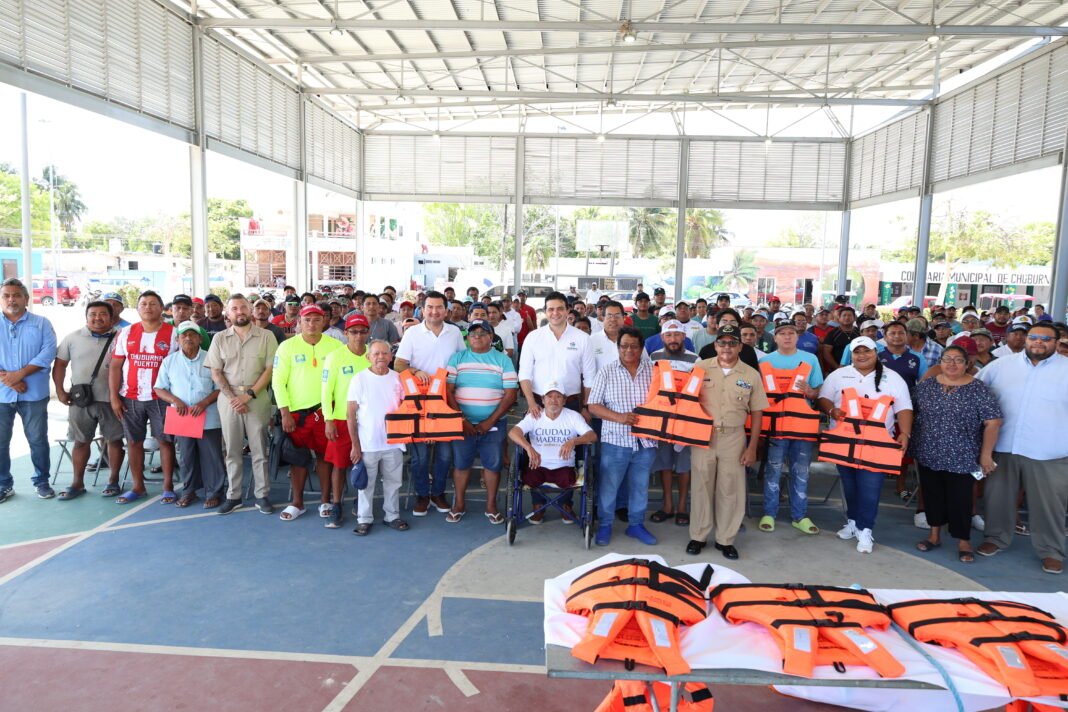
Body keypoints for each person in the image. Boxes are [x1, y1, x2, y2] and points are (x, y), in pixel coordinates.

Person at [975, 322, 1068, 574]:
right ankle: (995, 538)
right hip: (1004, 447)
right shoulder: (1001, 366)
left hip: (1050, 451)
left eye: (1046, 339)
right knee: (997, 498)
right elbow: (974, 393)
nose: (1039, 342)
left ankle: (1051, 551)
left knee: (1049, 505)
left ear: (1057, 343)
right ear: (1026, 339)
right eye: (1034, 337)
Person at [818, 336, 913, 554]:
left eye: (867, 351)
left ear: (875, 352)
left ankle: (866, 528)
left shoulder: (893, 377)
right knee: (849, 486)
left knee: (870, 488)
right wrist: (832, 410)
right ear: (851, 354)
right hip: (845, 441)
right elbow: (823, 399)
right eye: (857, 351)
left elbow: (904, 407)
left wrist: (905, 433)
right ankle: (852, 522)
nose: (862, 355)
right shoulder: (839, 375)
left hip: (877, 443)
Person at [911, 345, 1002, 564]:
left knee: (960, 499)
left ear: (967, 363)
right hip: (928, 451)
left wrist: (986, 455)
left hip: (963, 454)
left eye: (958, 360)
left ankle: (963, 540)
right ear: (940, 362)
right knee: (931, 494)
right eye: (947, 359)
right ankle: (934, 535)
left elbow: (993, 422)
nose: (952, 364)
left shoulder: (978, 389)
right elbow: (909, 411)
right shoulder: (927, 387)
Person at [686, 324, 766, 560]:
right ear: (715, 345)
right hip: (704, 435)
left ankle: (726, 539)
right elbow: (687, 402)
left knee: (731, 488)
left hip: (734, 436)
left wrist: (752, 447)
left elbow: (758, 412)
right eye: (722, 343)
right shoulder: (700, 368)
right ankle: (698, 535)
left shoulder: (751, 374)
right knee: (701, 486)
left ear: (740, 346)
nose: (727, 347)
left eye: (732, 343)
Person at [518, 290, 597, 519]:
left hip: (571, 403)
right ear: (545, 311)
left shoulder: (582, 338)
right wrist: (532, 402)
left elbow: (589, 377)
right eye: (551, 309)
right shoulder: (534, 337)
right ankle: (537, 504)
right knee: (538, 451)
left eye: (560, 308)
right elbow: (524, 374)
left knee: (569, 453)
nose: (555, 313)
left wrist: (586, 407)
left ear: (567, 311)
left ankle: (565, 502)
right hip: (539, 403)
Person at [394, 290, 466, 515]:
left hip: (446, 401)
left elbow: (461, 361)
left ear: (446, 310)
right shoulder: (412, 333)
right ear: (422, 310)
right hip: (418, 402)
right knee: (420, 456)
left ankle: (438, 493)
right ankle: (422, 495)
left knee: (445, 455)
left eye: (439, 308)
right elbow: (398, 364)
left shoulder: (454, 332)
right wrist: (416, 371)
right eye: (430, 307)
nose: (434, 311)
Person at [271, 304, 344, 521]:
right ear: (299, 323)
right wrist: (284, 413)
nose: (311, 324)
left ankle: (325, 500)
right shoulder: (286, 347)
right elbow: (278, 382)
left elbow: (341, 380)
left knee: (325, 457)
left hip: (325, 413)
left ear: (324, 322)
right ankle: (297, 502)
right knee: (298, 457)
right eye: (307, 320)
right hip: (296, 414)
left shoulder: (336, 346)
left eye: (316, 319)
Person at [206, 294, 277, 514]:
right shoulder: (219, 338)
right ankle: (233, 495)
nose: (240, 312)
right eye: (235, 308)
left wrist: (248, 395)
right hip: (228, 401)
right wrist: (233, 398)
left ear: (251, 310)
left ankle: (262, 495)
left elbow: (270, 370)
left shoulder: (267, 336)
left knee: (259, 450)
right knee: (232, 451)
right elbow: (216, 372)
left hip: (257, 399)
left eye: (243, 307)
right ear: (228, 313)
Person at [587, 327, 658, 546]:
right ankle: (605, 525)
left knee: (640, 486)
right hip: (615, 440)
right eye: (624, 345)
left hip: (646, 441)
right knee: (609, 486)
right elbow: (593, 406)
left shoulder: (655, 371)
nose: (629, 350)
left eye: (634, 346)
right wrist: (619, 417)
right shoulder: (606, 371)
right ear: (618, 348)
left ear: (641, 348)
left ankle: (636, 525)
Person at [444, 319, 517, 524]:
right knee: (461, 464)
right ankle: (458, 504)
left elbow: (511, 394)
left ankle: (491, 506)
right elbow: (448, 391)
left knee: (492, 466)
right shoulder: (457, 358)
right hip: (462, 423)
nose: (476, 336)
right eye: (473, 333)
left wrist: (490, 421)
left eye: (482, 333)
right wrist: (462, 419)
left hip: (493, 424)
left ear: (491, 337)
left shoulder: (503, 360)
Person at [108, 290, 178, 504]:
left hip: (162, 399)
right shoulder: (126, 333)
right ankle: (138, 487)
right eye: (144, 303)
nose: (148, 307)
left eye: (153, 303)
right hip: (130, 397)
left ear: (161, 308)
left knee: (165, 442)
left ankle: (168, 487)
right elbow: (115, 366)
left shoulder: (174, 334)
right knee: (133, 442)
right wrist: (114, 398)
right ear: (137, 308)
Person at [51, 301, 124, 499]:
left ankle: (113, 481)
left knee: (115, 441)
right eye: (93, 314)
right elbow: (60, 365)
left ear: (111, 317)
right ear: (86, 316)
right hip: (81, 400)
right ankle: (77, 483)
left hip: (113, 400)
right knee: (81, 442)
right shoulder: (72, 338)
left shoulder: (122, 337)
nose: (97, 318)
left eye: (102, 314)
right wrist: (60, 390)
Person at [757, 320, 824, 536]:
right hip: (775, 427)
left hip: (801, 426)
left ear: (798, 337)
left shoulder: (810, 359)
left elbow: (817, 392)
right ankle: (769, 513)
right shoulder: (765, 361)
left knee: (801, 472)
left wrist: (810, 392)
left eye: (791, 333)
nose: (787, 337)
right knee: (773, 470)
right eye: (782, 333)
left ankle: (800, 516)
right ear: (774, 338)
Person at [154, 321, 224, 509]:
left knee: (212, 456)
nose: (188, 338)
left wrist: (204, 403)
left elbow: (220, 388)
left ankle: (214, 492)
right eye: (183, 335)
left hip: (208, 416)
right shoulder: (170, 361)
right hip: (182, 418)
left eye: (192, 334)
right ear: (177, 340)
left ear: (200, 339)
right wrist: (176, 401)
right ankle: (189, 491)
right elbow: (159, 388)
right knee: (186, 457)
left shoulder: (211, 359)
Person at [0, 278, 57, 502]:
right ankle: (4, 484)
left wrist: (20, 374)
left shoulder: (41, 323)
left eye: (16, 295)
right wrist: (11, 380)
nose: (11, 299)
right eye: (6, 295)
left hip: (33, 394)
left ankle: (42, 481)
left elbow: (48, 352)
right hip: (2, 395)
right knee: (1, 441)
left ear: (26, 298)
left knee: (37, 439)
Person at [348, 340, 409, 535]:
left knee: (394, 482)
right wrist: (355, 446)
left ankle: (392, 515)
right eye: (376, 354)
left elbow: (406, 408)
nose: (381, 357)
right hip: (368, 443)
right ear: (368, 357)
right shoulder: (359, 379)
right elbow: (350, 415)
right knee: (366, 484)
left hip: (394, 441)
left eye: (385, 353)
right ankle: (364, 518)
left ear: (391, 357)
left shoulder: (398, 378)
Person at [319, 314, 371, 528]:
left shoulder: (373, 354)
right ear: (346, 333)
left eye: (362, 331)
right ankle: (337, 504)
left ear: (368, 333)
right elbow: (325, 391)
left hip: (368, 421)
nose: (358, 336)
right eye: (353, 331)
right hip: (341, 419)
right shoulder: (335, 357)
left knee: (367, 464)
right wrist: (328, 419)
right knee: (339, 465)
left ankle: (361, 502)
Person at [648, 320, 699, 527]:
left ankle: (682, 508)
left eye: (677, 335)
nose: (673, 339)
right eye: (669, 335)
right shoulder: (653, 357)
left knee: (684, 466)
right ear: (662, 338)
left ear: (684, 336)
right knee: (665, 464)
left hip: (686, 421)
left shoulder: (696, 359)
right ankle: (667, 505)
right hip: (662, 421)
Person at [819, 304, 859, 372]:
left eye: (849, 315)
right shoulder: (832, 333)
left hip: (857, 370)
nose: (847, 318)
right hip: (836, 370)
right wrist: (837, 368)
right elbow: (826, 353)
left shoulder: (859, 332)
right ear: (839, 318)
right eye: (844, 315)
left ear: (854, 318)